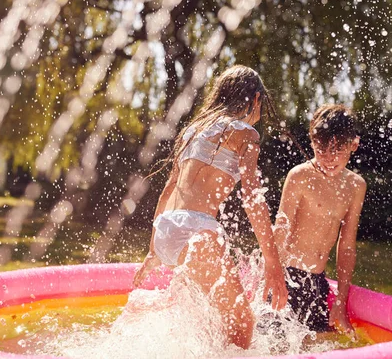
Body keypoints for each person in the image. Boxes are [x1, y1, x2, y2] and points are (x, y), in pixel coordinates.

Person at [132, 65, 288, 349]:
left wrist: (154, 249)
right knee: (242, 323)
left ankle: (146, 315)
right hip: (199, 234)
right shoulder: (245, 133)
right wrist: (273, 263)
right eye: (260, 103)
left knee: (210, 317)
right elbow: (253, 198)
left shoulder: (193, 130)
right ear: (254, 99)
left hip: (168, 229)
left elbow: (169, 188)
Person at [273, 104, 366, 334]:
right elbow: (280, 232)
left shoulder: (355, 186)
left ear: (354, 144)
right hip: (288, 277)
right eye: (321, 149)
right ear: (312, 141)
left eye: (337, 150)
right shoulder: (300, 176)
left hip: (317, 284)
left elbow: (346, 247)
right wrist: (275, 280)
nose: (328, 158)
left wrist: (340, 302)